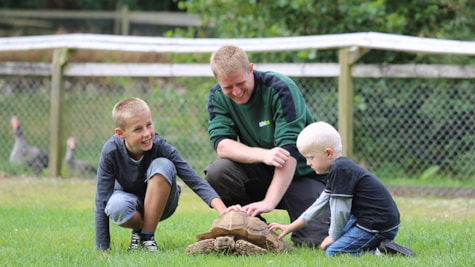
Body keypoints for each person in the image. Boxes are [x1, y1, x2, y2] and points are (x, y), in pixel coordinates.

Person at [204, 45, 330, 247]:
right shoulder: (218, 97)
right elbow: (223, 146)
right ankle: (252, 227)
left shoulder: (280, 88)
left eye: (240, 83)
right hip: (264, 172)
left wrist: (269, 202)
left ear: (251, 69)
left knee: (314, 241)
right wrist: (264, 155)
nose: (236, 92)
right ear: (217, 81)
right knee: (218, 171)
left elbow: (288, 153)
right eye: (228, 87)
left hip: (303, 174)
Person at [95, 97, 227, 252]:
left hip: (163, 204)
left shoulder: (160, 146)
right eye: (138, 129)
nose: (147, 133)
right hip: (130, 204)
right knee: (115, 205)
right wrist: (102, 250)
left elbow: (194, 180)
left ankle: (146, 237)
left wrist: (224, 211)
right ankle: (139, 230)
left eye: (149, 125)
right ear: (120, 133)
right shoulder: (111, 151)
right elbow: (101, 200)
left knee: (163, 165)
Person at [269, 121, 416, 257]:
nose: (308, 163)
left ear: (328, 153)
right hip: (372, 221)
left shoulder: (341, 170)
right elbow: (319, 205)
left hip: (377, 225)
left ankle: (380, 251)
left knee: (333, 252)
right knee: (334, 241)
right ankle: (379, 244)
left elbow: (340, 210)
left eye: (311, 157)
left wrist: (333, 236)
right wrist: (290, 227)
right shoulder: (338, 169)